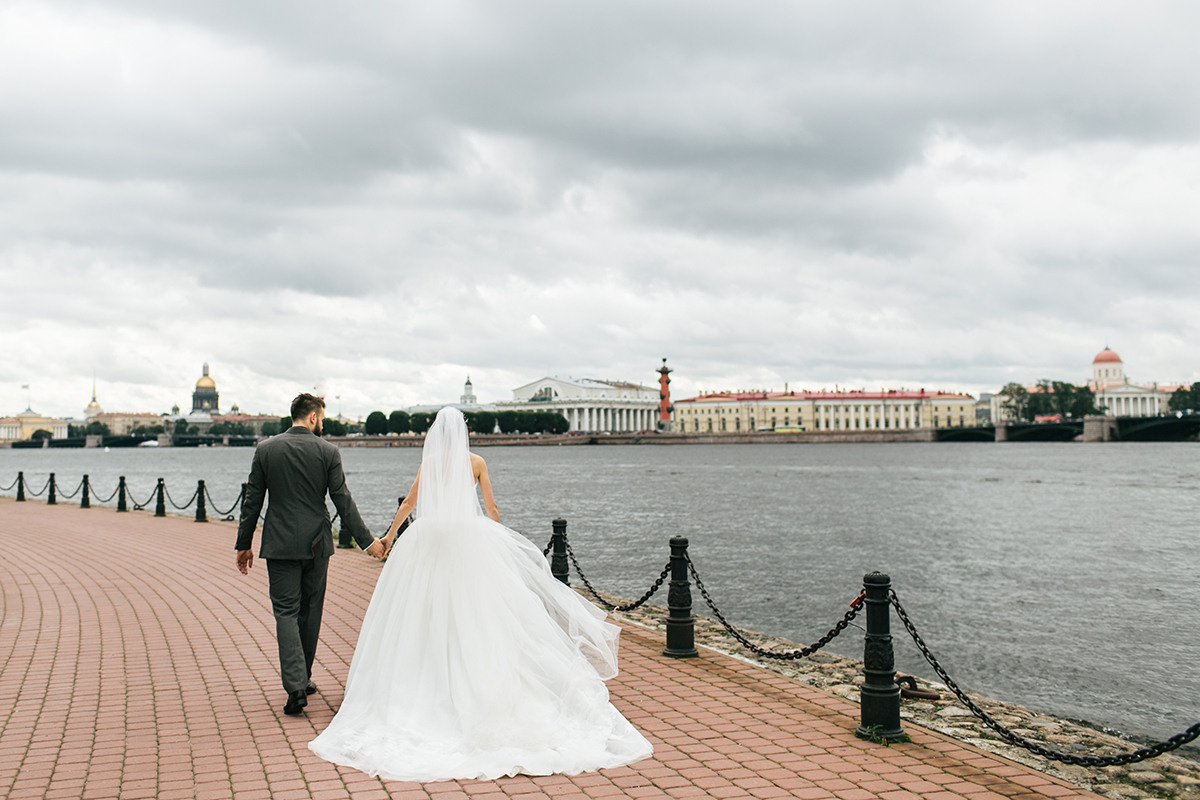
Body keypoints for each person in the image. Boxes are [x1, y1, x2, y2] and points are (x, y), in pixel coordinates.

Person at [309, 406, 653, 781]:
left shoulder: (431, 463)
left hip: (428, 542)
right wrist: (498, 541)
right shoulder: (476, 462)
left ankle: (419, 684)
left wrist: (390, 536)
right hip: (467, 542)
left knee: (421, 613)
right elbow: (491, 507)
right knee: (477, 614)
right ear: (465, 431)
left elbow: (409, 504)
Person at [235, 393, 386, 716]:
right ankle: (302, 680)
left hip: (279, 544)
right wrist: (368, 542)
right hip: (317, 544)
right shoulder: (327, 451)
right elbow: (342, 500)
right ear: (314, 417)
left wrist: (243, 544)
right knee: (310, 610)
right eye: (322, 418)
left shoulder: (265, 450)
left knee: (286, 612)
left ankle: (295, 685)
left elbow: (253, 500)